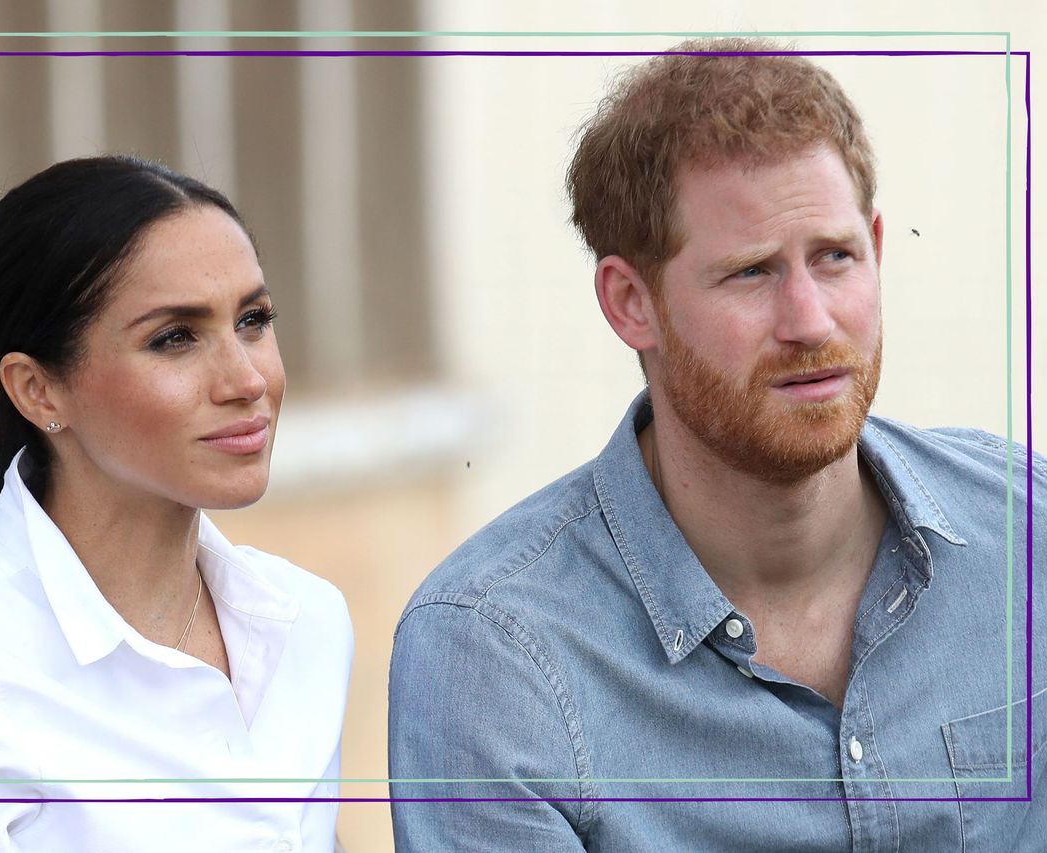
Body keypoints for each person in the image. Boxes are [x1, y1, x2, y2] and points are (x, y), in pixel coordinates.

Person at [388, 38, 1043, 850]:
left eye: (836, 257)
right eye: (752, 273)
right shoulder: (496, 653)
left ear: (877, 244)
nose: (810, 320)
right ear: (632, 302)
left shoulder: (1030, 534)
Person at [0, 156, 354, 851]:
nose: (246, 379)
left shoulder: (303, 622)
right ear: (38, 390)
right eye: (174, 337)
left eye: (254, 320)